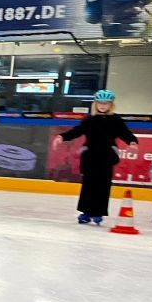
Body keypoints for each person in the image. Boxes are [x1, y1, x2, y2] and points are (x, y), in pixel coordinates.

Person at [58, 89, 139, 225]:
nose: (102, 106)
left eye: (106, 103)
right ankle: (86, 212)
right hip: (90, 156)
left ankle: (98, 212)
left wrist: (132, 142)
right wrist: (62, 137)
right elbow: (77, 131)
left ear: (111, 105)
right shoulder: (90, 120)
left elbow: (125, 133)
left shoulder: (115, 120)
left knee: (103, 185)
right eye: (100, 103)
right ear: (95, 104)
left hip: (106, 157)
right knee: (88, 184)